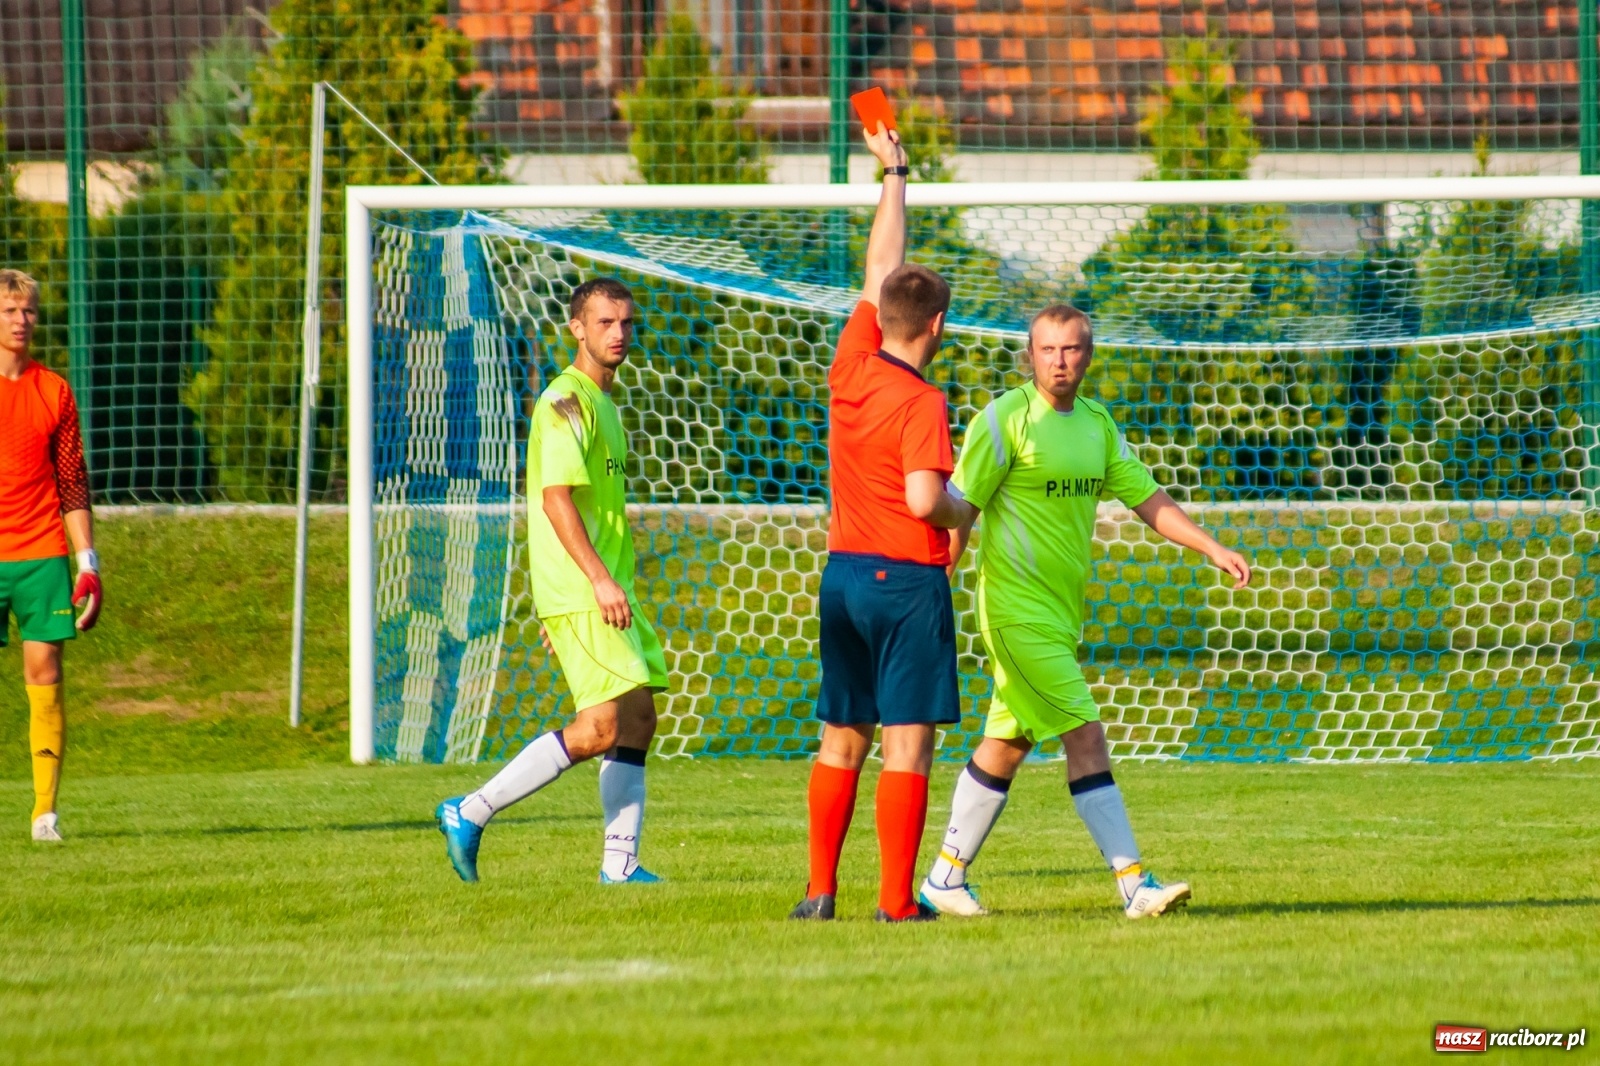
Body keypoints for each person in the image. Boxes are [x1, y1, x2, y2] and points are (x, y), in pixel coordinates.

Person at [916, 304, 1252, 919]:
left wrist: (1211, 547)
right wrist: (933, 587)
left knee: (1007, 743)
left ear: (1088, 355)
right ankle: (1134, 884)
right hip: (1013, 614)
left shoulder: (1098, 425)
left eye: (1071, 349)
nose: (1059, 361)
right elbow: (960, 509)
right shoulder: (1004, 420)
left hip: (1060, 616)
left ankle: (944, 879)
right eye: (1047, 349)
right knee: (1086, 734)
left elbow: (1147, 498)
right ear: (1030, 354)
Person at [790, 122, 971, 922]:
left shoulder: (849, 365)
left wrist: (893, 173)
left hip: (844, 579)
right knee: (907, 744)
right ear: (937, 325)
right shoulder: (923, 401)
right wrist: (968, 510)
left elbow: (877, 267)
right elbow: (927, 500)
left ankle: (818, 892)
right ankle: (897, 903)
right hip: (905, 585)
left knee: (842, 737)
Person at [435, 277, 667, 885]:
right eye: (604, 323)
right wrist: (592, 584)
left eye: (626, 322)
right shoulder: (565, 401)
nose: (618, 333)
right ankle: (471, 810)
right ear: (577, 329)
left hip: (598, 592)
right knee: (600, 729)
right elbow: (555, 499)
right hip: (591, 589)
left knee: (638, 718)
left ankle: (620, 865)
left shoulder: (604, 403)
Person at [0, 268, 103, 843]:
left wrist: (88, 563)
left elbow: (71, 483)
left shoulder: (54, 390)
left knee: (45, 672)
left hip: (41, 554)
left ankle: (44, 815)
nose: (21, 320)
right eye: (10, 310)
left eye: (29, 311)